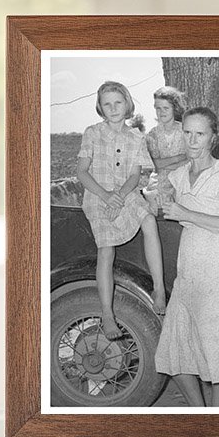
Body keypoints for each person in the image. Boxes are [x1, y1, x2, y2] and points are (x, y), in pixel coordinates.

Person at [155, 107, 219, 407]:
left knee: (218, 348)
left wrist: (185, 213)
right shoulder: (178, 175)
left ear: (213, 138)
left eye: (200, 134)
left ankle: (217, 416)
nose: (192, 140)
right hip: (187, 268)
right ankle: (200, 413)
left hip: (215, 266)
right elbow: (162, 205)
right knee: (173, 348)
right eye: (187, 133)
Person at [75, 81, 166, 339]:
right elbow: (82, 172)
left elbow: (135, 175)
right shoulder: (92, 133)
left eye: (118, 102)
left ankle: (158, 288)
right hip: (97, 195)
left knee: (148, 220)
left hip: (126, 193)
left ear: (127, 104)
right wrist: (106, 197)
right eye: (107, 104)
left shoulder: (136, 137)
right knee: (106, 249)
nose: (113, 108)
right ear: (100, 108)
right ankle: (107, 313)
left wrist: (121, 197)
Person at [146, 86, 189, 177]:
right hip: (160, 183)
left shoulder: (186, 130)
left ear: (175, 108)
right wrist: (179, 158)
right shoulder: (152, 135)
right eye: (158, 108)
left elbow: (192, 159)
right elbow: (156, 164)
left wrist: (167, 164)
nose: (162, 112)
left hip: (185, 180)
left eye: (166, 108)